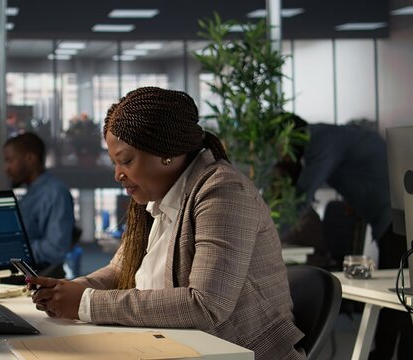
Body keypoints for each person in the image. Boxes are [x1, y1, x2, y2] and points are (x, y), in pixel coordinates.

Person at [27, 87, 305, 359]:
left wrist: (86, 303)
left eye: (125, 161)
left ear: (165, 152)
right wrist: (65, 291)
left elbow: (206, 305)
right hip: (172, 347)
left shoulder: (224, 191)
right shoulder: (156, 198)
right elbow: (119, 270)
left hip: (235, 352)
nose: (118, 175)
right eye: (114, 163)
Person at [276, 115, 413, 359]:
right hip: (391, 217)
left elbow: (302, 196)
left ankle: (384, 354)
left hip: (398, 218)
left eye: (281, 148)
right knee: (401, 294)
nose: (282, 155)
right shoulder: (327, 140)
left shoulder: (323, 142)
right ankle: (384, 353)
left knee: (401, 296)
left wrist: (268, 234)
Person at [3, 132, 75, 278]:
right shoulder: (31, 193)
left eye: (10, 161)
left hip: (39, 279)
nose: (7, 168)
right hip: (23, 271)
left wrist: (13, 249)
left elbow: (56, 250)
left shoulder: (55, 193)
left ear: (30, 158)